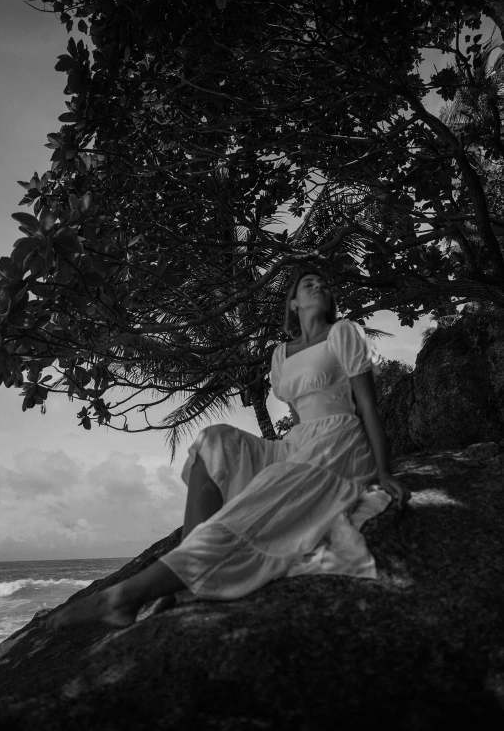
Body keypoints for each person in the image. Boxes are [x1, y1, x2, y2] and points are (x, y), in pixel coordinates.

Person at [44, 268, 411, 631]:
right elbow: (300, 419)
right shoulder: (281, 356)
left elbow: (367, 406)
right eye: (308, 283)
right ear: (293, 302)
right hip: (299, 444)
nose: (318, 285)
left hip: (340, 444)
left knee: (255, 509)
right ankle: (185, 573)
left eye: (324, 284)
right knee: (215, 441)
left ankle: (123, 597)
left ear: (329, 301)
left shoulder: (343, 333)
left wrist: (382, 470)